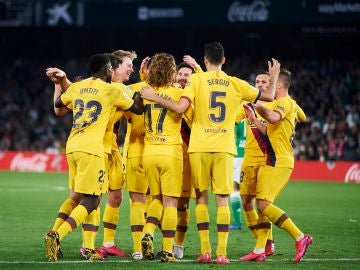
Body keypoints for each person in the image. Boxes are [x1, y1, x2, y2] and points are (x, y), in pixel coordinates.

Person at [141, 41, 279, 265]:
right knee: (223, 199)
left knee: (202, 199)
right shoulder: (235, 83)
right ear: (224, 60)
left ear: (205, 61)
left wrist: (153, 93)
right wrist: (273, 76)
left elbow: (180, 107)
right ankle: (221, 254)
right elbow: (270, 97)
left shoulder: (196, 80)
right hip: (224, 148)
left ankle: (205, 251)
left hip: (199, 147)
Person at [44, 54, 141, 262]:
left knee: (80, 197)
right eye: (128, 65)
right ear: (109, 70)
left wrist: (60, 83)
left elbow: (58, 106)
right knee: (93, 200)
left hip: (73, 146)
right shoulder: (113, 90)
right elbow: (137, 108)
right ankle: (56, 236)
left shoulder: (80, 86)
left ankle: (86, 248)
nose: (129, 70)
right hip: (96, 149)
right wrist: (143, 94)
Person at [241, 68, 312, 263]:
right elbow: (268, 129)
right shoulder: (288, 104)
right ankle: (259, 249)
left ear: (278, 85)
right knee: (261, 205)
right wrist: (254, 118)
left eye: (270, 81)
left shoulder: (283, 102)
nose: (265, 86)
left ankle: (300, 237)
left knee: (263, 203)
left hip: (279, 159)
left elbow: (273, 118)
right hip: (272, 158)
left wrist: (257, 105)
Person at [140, 53, 184, 263]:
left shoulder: (146, 91)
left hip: (149, 152)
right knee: (170, 203)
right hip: (170, 152)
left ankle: (148, 232)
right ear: (171, 71)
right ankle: (167, 250)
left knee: (155, 198)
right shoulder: (178, 92)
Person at [229, 120, 245, 230]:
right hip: (251, 154)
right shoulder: (254, 113)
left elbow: (233, 137)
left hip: (238, 154)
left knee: (234, 187)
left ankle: (237, 222)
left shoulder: (237, 116)